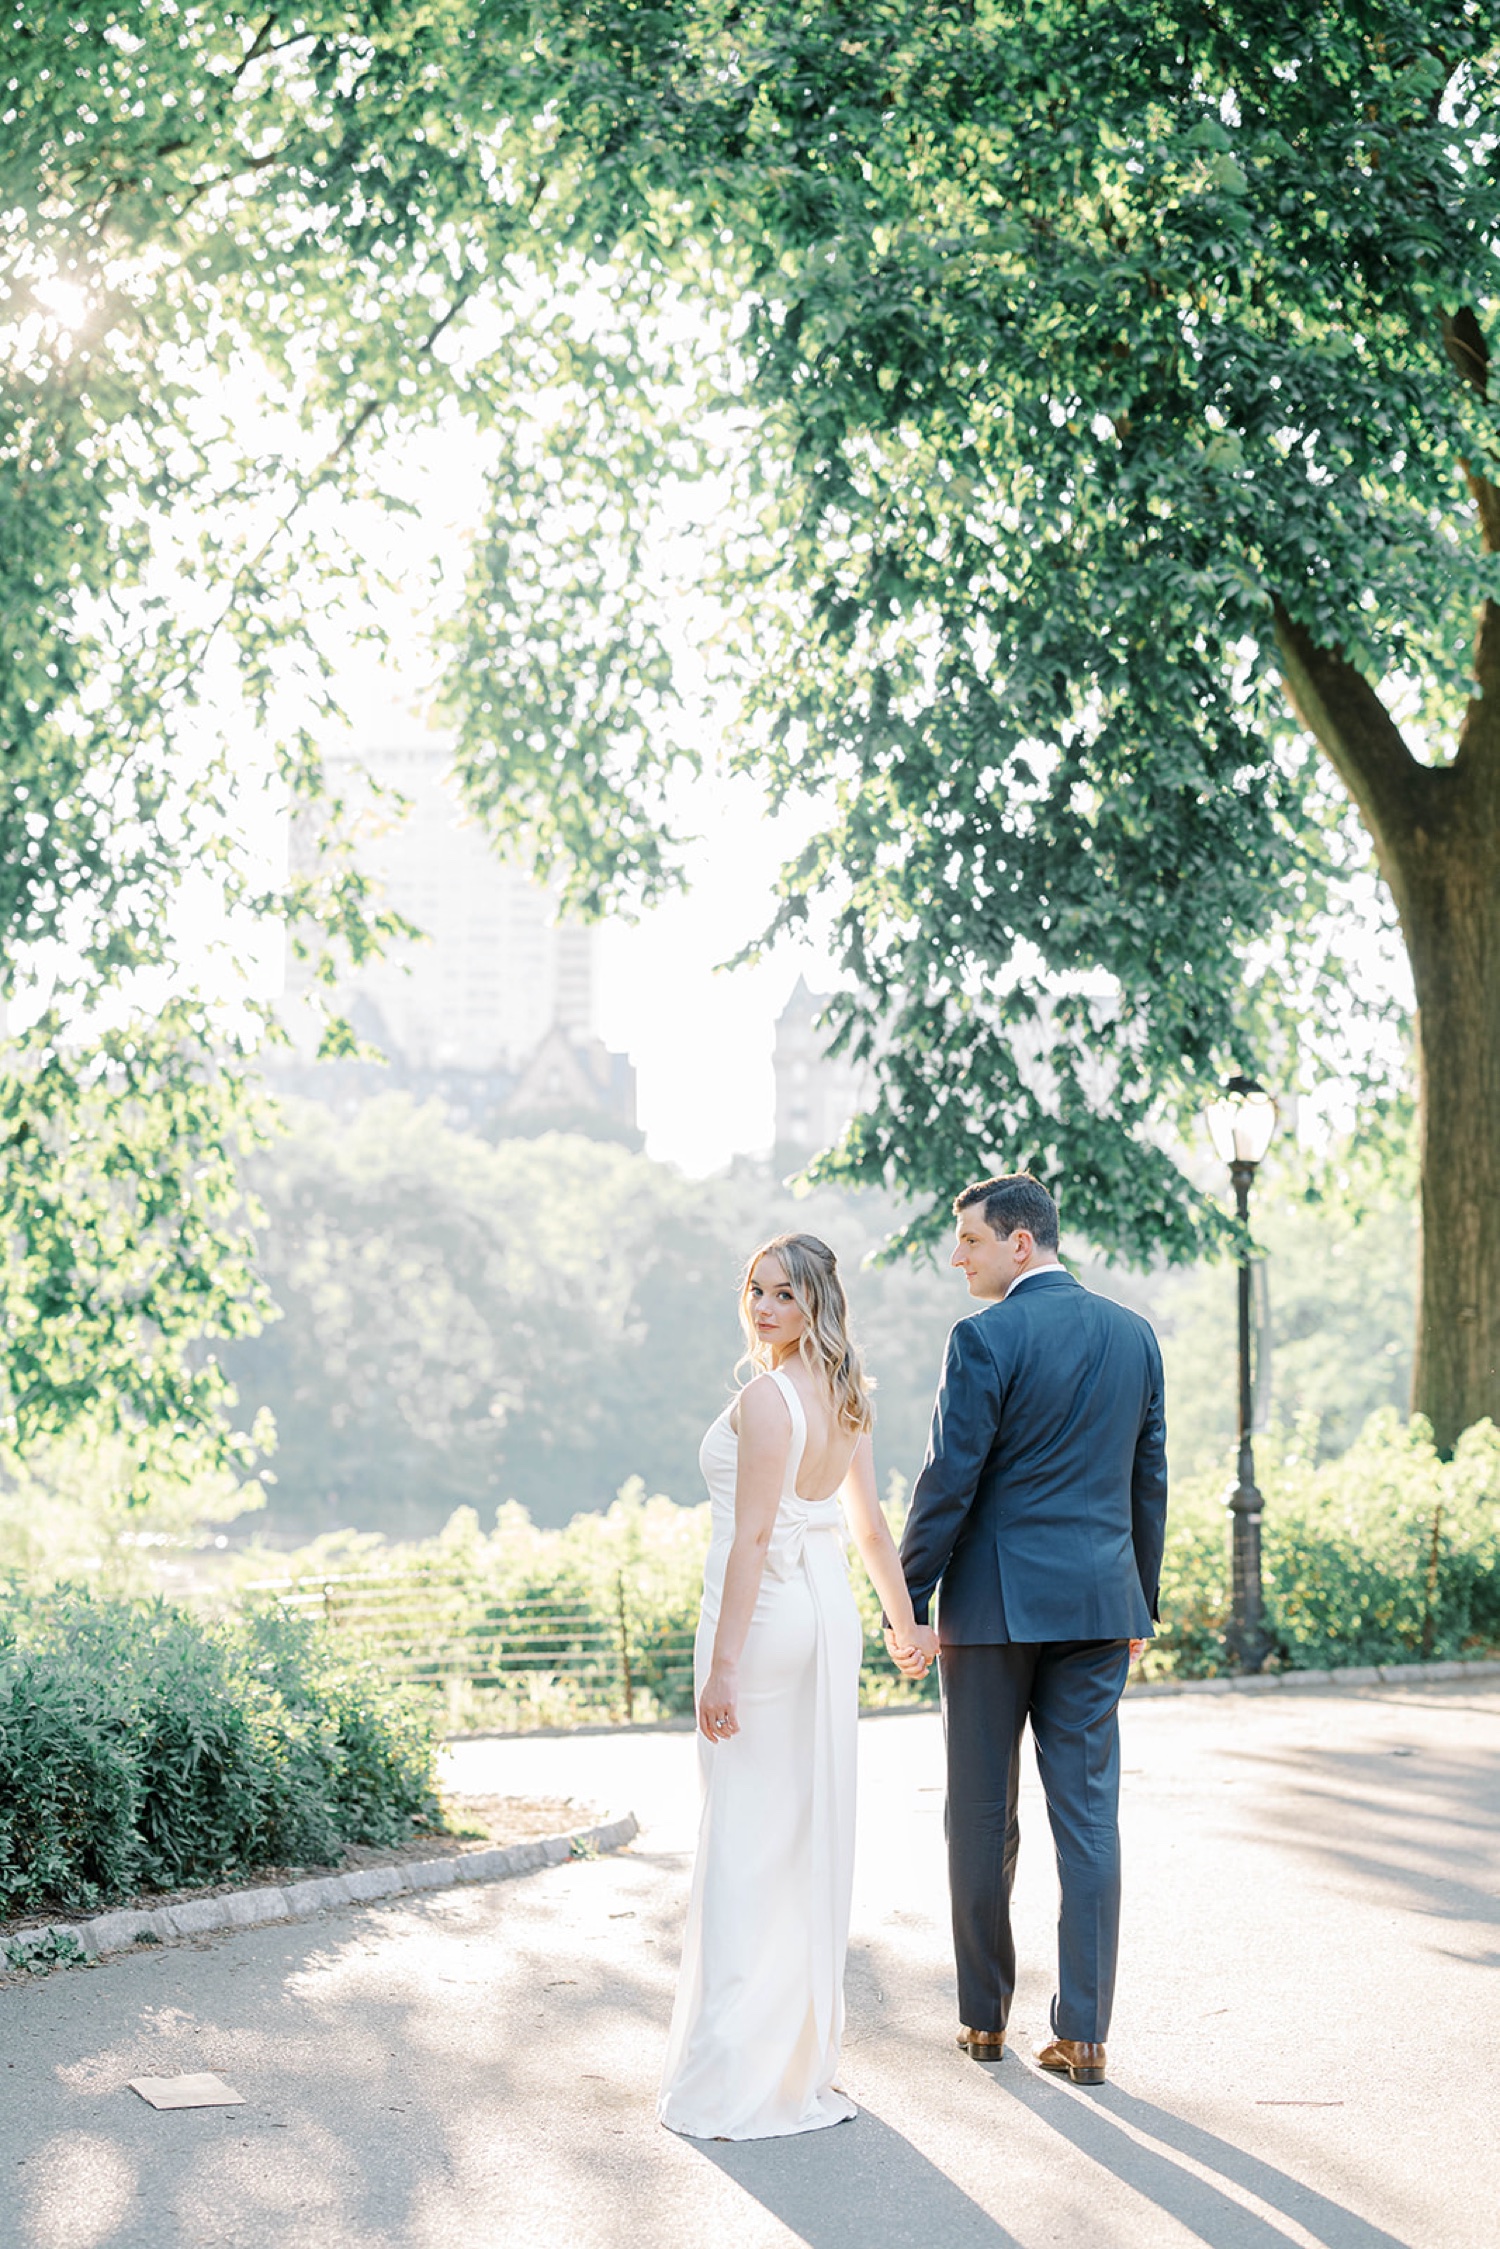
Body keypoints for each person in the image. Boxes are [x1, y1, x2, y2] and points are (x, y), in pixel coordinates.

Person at [887, 1173, 1167, 2086]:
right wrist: (1141, 1602)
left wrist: (910, 1599)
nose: (957, 1254)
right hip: (1098, 1607)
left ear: (1020, 1241)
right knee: (1089, 1817)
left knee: (978, 1812)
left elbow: (948, 1479)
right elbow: (1147, 1480)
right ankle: (1084, 2033)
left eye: (969, 1237)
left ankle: (982, 2021)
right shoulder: (1135, 1335)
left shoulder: (983, 1336)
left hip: (994, 1610)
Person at [658, 1231, 923, 2141]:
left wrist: (723, 1664)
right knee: (796, 1829)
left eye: (783, 1294)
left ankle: (738, 2070)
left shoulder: (768, 1398)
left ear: (816, 1304)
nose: (764, 1308)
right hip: (827, 1616)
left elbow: (754, 1538)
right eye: (755, 1290)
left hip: (766, 1625)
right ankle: (789, 2056)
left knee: (744, 1836)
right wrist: (902, 1619)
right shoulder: (847, 1395)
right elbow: (870, 1529)